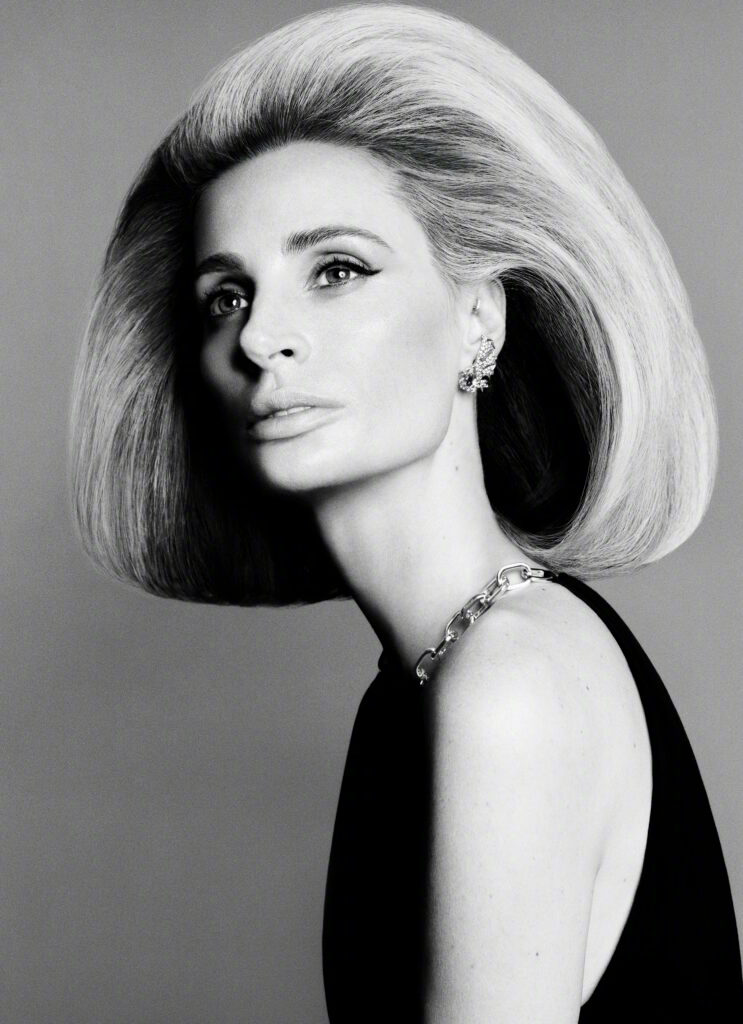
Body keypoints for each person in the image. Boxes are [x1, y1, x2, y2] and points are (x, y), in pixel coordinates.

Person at [69, 4, 743, 1020]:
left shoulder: (508, 686)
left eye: (335, 269)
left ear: (477, 319)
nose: (258, 338)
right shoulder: (427, 675)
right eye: (226, 296)